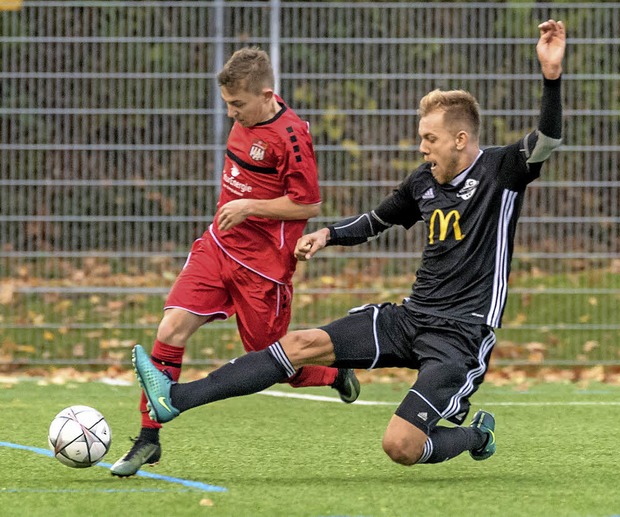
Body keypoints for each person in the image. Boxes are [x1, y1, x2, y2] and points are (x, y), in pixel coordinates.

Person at [131, 20, 565, 467]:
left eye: (429, 139)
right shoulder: (423, 182)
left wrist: (551, 77)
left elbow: (549, 138)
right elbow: (377, 220)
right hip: (410, 317)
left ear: (460, 139)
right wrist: (327, 235)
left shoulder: (503, 171)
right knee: (296, 345)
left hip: (460, 336)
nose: (421, 148)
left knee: (401, 447)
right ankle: (176, 399)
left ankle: (474, 436)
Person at [111, 48, 360, 477]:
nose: (231, 114)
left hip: (264, 268)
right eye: (227, 104)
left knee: (271, 364)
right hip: (218, 248)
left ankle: (333, 375)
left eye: (238, 105)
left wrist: (249, 208)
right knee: (170, 328)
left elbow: (309, 205)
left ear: (267, 95)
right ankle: (148, 440)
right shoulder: (244, 117)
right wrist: (239, 212)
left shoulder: (293, 136)